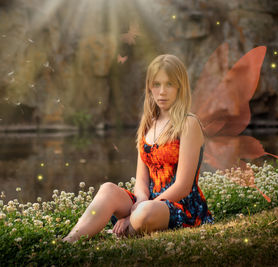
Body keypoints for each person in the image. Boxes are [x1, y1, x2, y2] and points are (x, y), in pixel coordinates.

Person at [63, 54, 214, 243]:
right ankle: (70, 240)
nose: (162, 92)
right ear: (149, 87)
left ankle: (128, 228)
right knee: (108, 189)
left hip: (180, 205)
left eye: (169, 84)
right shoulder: (148, 123)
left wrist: (135, 212)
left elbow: (183, 187)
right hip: (147, 203)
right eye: (156, 84)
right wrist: (140, 200)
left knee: (144, 212)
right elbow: (141, 180)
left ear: (180, 87)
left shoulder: (188, 123)